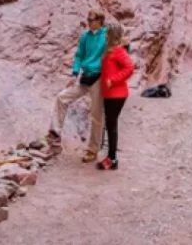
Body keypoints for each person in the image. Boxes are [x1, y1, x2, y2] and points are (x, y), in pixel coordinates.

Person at [47, 10, 107, 163]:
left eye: (91, 19)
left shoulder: (107, 35)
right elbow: (79, 55)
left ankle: (92, 150)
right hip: (85, 76)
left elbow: (119, 49)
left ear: (100, 20)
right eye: (87, 19)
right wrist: (74, 73)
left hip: (99, 78)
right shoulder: (85, 36)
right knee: (62, 97)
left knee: (96, 115)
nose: (88, 22)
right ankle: (55, 133)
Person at [97, 24, 135, 171]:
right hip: (110, 93)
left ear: (112, 35)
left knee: (111, 126)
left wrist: (113, 80)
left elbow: (129, 68)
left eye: (107, 34)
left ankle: (112, 160)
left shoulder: (119, 51)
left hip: (116, 94)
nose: (105, 36)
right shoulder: (110, 49)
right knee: (110, 124)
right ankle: (110, 157)